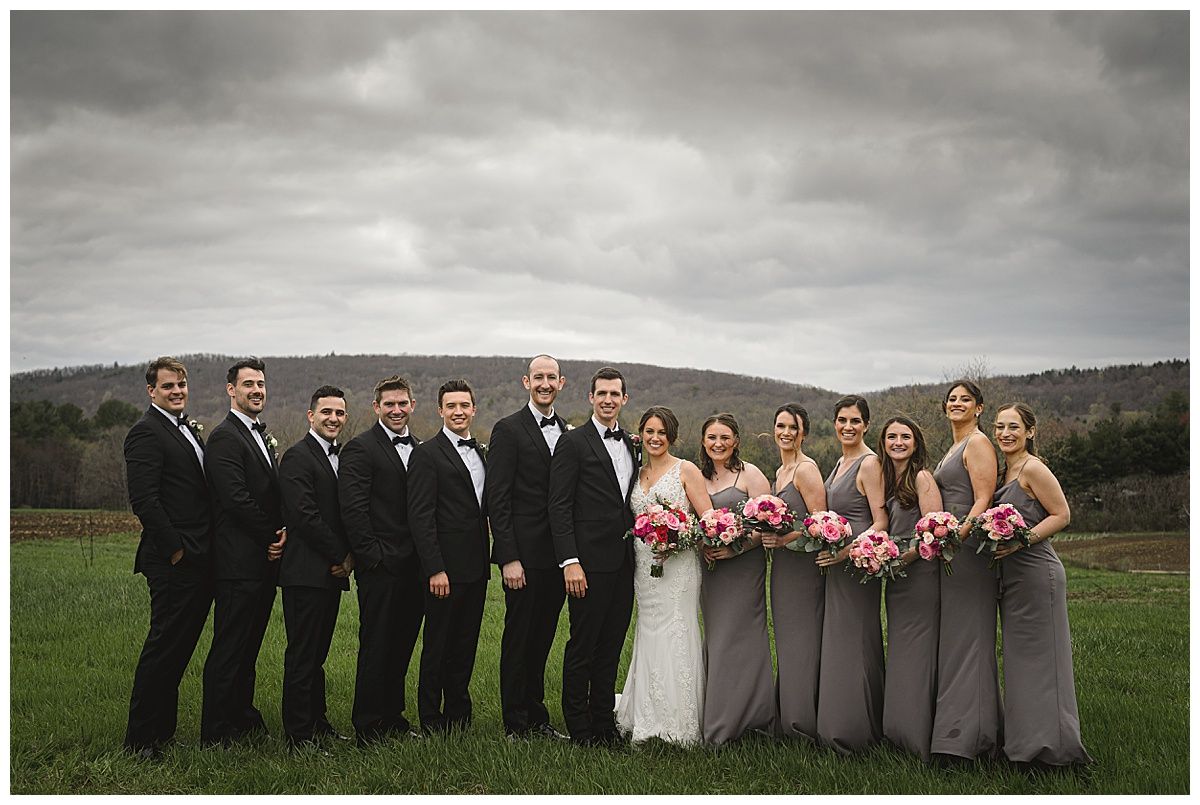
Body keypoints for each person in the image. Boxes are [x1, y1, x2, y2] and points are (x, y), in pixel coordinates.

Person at [122, 356, 214, 760]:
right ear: (151, 391)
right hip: (172, 560)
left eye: (181, 385)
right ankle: (140, 741)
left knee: (178, 651)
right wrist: (176, 550)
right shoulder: (145, 432)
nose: (177, 391)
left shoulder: (185, 428)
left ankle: (162, 731)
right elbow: (145, 500)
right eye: (168, 386)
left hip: (199, 558)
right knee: (163, 649)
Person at [991, 403, 1091, 767]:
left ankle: (1056, 749)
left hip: (1037, 574)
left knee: (1044, 662)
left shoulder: (1033, 468)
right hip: (1011, 578)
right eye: (1000, 427)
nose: (1005, 433)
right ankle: (1024, 744)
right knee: (1020, 663)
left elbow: (1062, 514)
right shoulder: (1003, 472)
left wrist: (1022, 540)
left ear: (1030, 432)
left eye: (1013, 427)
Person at [547, 367, 637, 747]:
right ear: (590, 397)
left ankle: (604, 723)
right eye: (602, 393)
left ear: (624, 399)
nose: (608, 400)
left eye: (615, 394)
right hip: (587, 564)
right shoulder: (572, 443)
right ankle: (579, 728)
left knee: (611, 646)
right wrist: (570, 561)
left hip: (624, 564)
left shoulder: (631, 444)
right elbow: (559, 506)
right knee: (582, 646)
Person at [201, 357, 287, 746]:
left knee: (248, 648)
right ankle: (216, 732)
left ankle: (242, 718)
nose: (256, 390)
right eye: (248, 384)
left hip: (261, 564)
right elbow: (235, 499)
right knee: (229, 648)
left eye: (261, 384)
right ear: (231, 390)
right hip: (237, 563)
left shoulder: (257, 435)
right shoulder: (225, 437)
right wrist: (271, 534)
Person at [615, 406, 714, 745]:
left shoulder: (685, 470)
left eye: (662, 432)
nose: (655, 438)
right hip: (644, 567)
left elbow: (707, 521)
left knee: (677, 631)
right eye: (650, 432)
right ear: (641, 434)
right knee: (648, 631)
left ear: (671, 436)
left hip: (679, 567)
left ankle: (680, 722)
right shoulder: (636, 472)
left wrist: (678, 540)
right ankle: (646, 715)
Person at [487, 355, 570, 740]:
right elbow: (497, 498)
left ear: (561, 383)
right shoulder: (508, 429)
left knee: (542, 639)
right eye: (538, 377)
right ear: (526, 382)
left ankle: (537, 717)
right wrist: (509, 557)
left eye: (551, 377)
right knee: (519, 639)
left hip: (558, 557)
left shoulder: (567, 430)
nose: (545, 383)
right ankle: (515, 723)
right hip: (522, 557)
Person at [338, 375, 425, 745]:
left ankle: (393, 719)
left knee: (402, 646)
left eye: (402, 403)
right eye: (389, 404)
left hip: (415, 567)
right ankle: (368, 724)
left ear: (412, 405)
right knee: (377, 645)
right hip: (381, 568)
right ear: (376, 407)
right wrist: (373, 558)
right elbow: (353, 510)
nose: (396, 409)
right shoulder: (360, 449)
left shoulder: (420, 448)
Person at [408, 379, 490, 734]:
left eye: (464, 405)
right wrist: (435, 568)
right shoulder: (426, 454)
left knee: (465, 644)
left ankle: (459, 715)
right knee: (438, 645)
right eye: (451, 406)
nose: (459, 412)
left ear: (474, 409)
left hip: (476, 567)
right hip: (444, 570)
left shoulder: (481, 453)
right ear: (440, 410)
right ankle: (430, 718)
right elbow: (420, 516)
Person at [277, 385, 354, 749]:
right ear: (311, 415)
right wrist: (341, 556)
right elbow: (304, 515)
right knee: (302, 654)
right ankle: (298, 734)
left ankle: (317, 722)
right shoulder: (297, 457)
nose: (333, 418)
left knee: (317, 654)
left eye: (339, 413)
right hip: (305, 572)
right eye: (326, 412)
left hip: (329, 574)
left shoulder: (339, 456)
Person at [930, 380, 1002, 761]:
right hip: (951, 549)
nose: (957, 403)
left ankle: (974, 739)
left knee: (971, 637)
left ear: (979, 408)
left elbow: (983, 498)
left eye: (966, 399)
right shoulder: (953, 447)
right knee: (956, 639)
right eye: (952, 399)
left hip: (969, 549)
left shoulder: (978, 443)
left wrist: (956, 536)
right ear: (945, 408)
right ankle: (955, 732)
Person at [814, 394, 888, 754]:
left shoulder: (870, 463)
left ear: (866, 425)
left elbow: (881, 521)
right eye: (842, 420)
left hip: (858, 565)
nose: (847, 426)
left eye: (855, 421)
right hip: (837, 567)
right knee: (839, 643)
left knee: (856, 641)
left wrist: (847, 551)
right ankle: (838, 723)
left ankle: (858, 731)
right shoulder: (841, 462)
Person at [698, 412, 776, 745]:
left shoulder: (751, 474)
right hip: (712, 571)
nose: (718, 443)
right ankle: (717, 710)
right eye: (712, 437)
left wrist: (736, 547)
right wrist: (702, 543)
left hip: (743, 566)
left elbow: (769, 523)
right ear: (703, 441)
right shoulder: (697, 475)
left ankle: (748, 718)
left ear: (736, 441)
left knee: (742, 636)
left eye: (725, 438)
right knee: (717, 637)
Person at [878, 415, 943, 761]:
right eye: (892, 437)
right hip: (896, 577)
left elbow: (933, 531)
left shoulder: (922, 477)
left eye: (905, 436)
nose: (898, 442)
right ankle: (899, 731)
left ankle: (920, 738)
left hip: (919, 574)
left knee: (918, 652)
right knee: (902, 651)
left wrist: (902, 559)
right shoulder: (888, 479)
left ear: (916, 442)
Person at [762, 403, 826, 742]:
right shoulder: (780, 471)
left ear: (804, 433)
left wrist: (783, 539)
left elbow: (821, 523)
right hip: (783, 568)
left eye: (793, 427)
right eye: (781, 426)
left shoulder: (806, 470)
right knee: (788, 642)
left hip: (803, 567)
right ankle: (788, 713)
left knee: (803, 642)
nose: (785, 432)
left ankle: (802, 723)